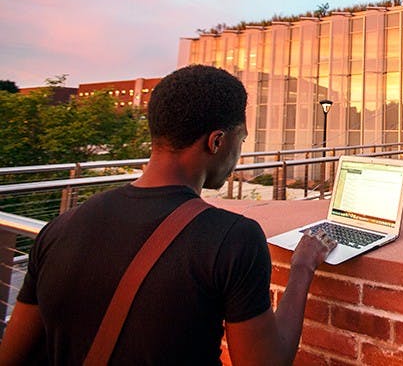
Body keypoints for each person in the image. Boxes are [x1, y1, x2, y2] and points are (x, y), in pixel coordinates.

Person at [0, 65, 336, 365]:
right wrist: (303, 266)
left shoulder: (60, 228)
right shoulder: (233, 238)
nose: (240, 151)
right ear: (217, 141)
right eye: (241, 139)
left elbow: (12, 355)